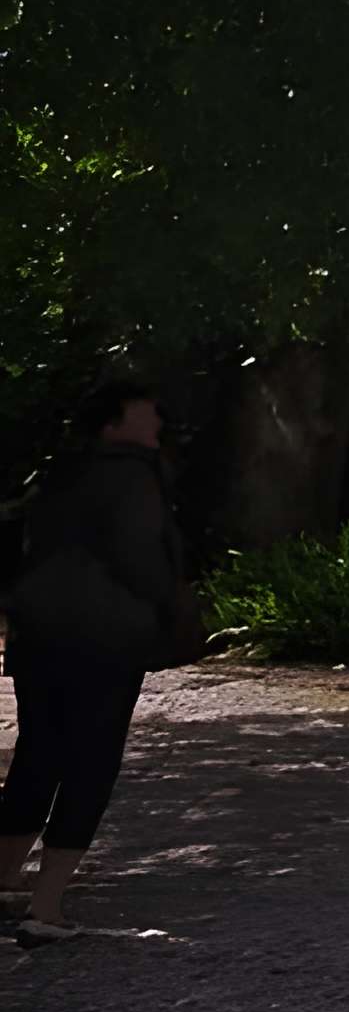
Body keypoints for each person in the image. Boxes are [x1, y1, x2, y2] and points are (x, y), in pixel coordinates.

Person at [1, 383, 192, 944]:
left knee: (39, 754)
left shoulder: (55, 473)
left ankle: (4, 877)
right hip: (104, 638)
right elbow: (139, 555)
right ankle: (47, 906)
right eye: (142, 411)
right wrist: (170, 601)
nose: (156, 416)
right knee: (91, 761)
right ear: (112, 425)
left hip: (40, 633)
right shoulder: (133, 475)